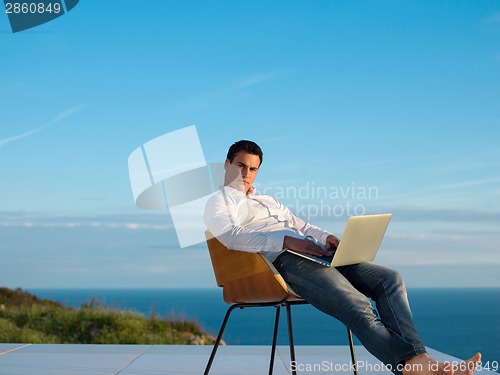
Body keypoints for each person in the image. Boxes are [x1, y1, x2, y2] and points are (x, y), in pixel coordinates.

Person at [204, 140, 481, 375]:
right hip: (279, 264)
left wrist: (327, 238)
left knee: (389, 278)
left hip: (314, 254)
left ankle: (418, 361)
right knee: (357, 303)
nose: (246, 173)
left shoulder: (269, 201)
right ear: (228, 164)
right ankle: (416, 366)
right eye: (241, 166)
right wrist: (287, 241)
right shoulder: (219, 201)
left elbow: (303, 226)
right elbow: (231, 235)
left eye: (253, 168)